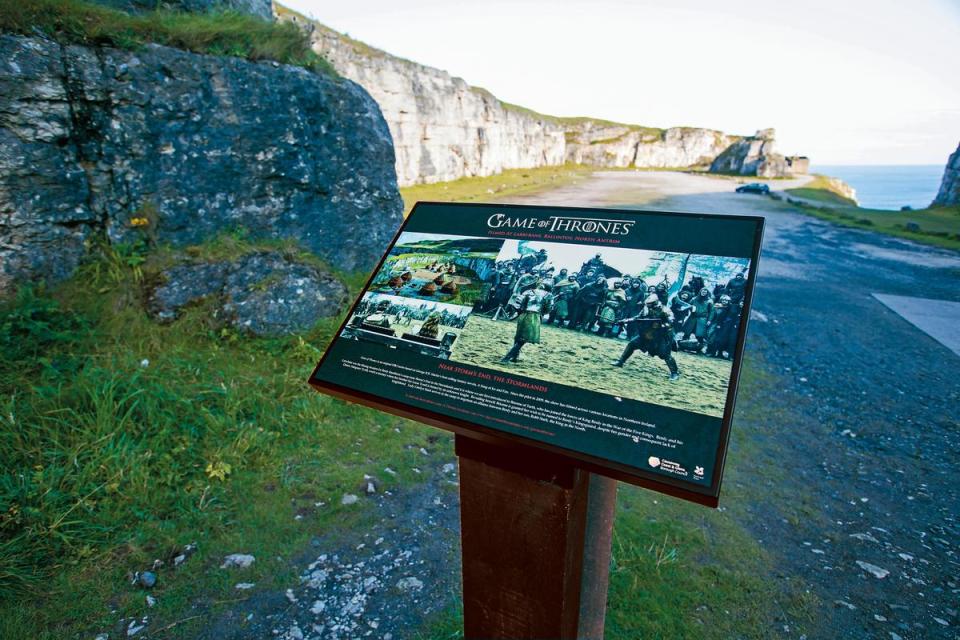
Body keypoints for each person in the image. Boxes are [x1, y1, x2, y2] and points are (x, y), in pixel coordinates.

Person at [611, 295, 680, 380]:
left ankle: (674, 373)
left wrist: (663, 325)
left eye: (650, 304)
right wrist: (625, 321)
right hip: (647, 333)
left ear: (655, 303)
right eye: (647, 304)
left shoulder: (665, 310)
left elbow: (671, 321)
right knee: (632, 344)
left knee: (665, 354)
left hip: (661, 335)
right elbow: (637, 318)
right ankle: (620, 362)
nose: (648, 305)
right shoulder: (646, 308)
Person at [500, 283, 553, 363]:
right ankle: (507, 357)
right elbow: (548, 308)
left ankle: (515, 357)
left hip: (523, 315)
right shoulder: (548, 295)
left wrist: (520, 311)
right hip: (534, 316)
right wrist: (542, 311)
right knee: (524, 338)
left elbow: (517, 302)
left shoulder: (528, 291)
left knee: (519, 336)